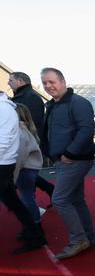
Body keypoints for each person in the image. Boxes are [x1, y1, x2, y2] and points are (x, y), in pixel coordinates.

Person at [41, 67, 95, 260]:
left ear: (63, 82)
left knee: (59, 200)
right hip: (64, 159)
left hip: (75, 159)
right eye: (45, 83)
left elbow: (86, 129)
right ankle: (89, 237)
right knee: (75, 199)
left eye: (52, 82)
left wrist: (69, 153)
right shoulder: (53, 105)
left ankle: (78, 239)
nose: (48, 86)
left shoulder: (78, 102)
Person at [0, 93, 47, 254]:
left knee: (24, 199)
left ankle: (36, 231)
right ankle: (35, 233)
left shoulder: (5, 110)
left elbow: (7, 145)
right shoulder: (10, 113)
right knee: (16, 202)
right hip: (15, 167)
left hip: (12, 167)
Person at [8, 71, 54, 206]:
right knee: (26, 173)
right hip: (22, 142)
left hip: (27, 143)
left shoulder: (31, 98)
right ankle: (46, 191)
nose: (8, 83)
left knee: (25, 174)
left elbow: (31, 122)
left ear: (21, 81)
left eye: (11, 80)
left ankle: (32, 212)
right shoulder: (21, 97)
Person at [13, 104, 48, 250]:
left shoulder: (20, 132)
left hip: (25, 169)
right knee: (27, 198)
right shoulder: (24, 129)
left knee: (27, 198)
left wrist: (12, 177)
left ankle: (35, 229)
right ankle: (33, 228)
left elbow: (19, 157)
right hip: (28, 169)